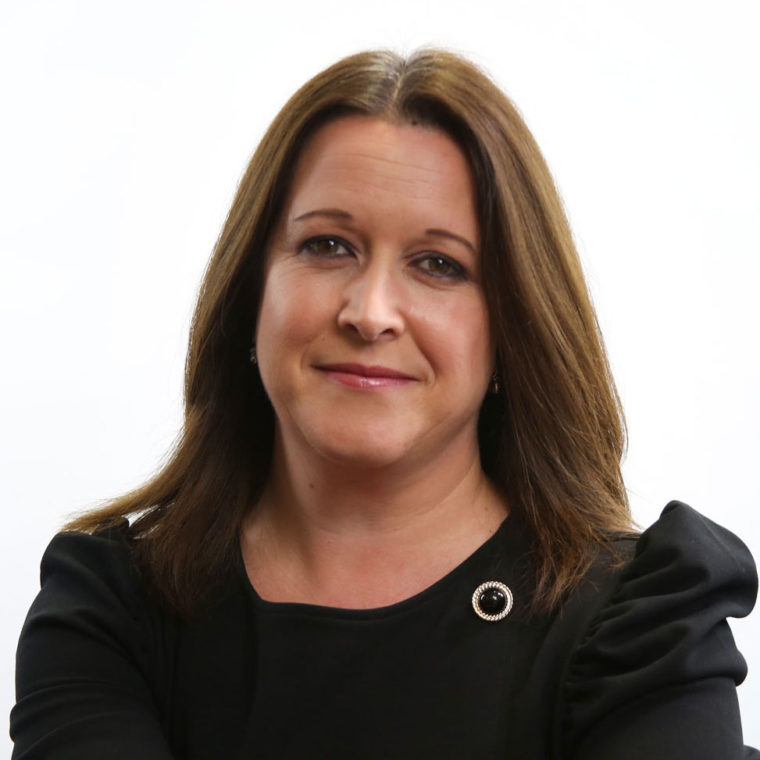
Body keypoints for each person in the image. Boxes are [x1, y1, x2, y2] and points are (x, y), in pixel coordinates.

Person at [10, 49, 758, 759]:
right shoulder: (110, 611)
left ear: (514, 324)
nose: (370, 313)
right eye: (327, 246)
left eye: (439, 265)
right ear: (250, 292)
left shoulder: (644, 625)